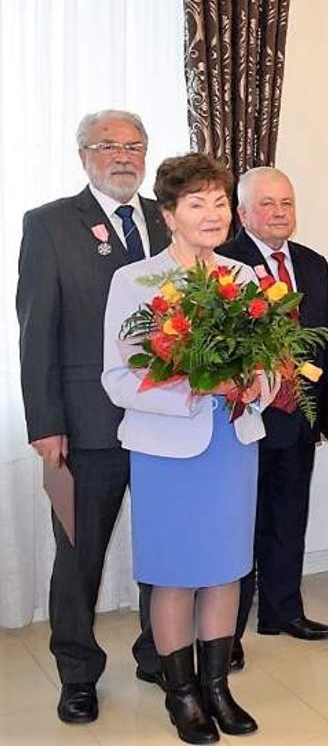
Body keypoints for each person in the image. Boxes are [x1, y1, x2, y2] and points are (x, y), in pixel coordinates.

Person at [102, 153, 269, 744]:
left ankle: (218, 687)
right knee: (174, 574)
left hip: (232, 442)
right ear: (168, 214)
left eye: (220, 201)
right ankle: (182, 695)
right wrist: (198, 388)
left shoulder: (244, 278)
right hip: (167, 449)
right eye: (197, 203)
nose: (214, 213)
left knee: (225, 570)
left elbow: (267, 360)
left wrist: (256, 384)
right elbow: (119, 378)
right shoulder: (137, 282)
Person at [15, 109, 167, 724]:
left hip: (165, 422)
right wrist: (45, 423)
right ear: (84, 155)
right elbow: (35, 333)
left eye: (134, 145)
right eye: (109, 146)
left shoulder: (166, 218)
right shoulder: (49, 224)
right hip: (84, 424)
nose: (123, 156)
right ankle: (77, 673)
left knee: (163, 548)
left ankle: (160, 651)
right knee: (79, 555)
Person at [221, 167, 328, 669]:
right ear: (242, 212)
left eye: (286, 202)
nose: (279, 212)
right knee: (240, 525)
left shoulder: (313, 264)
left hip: (299, 417)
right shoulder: (222, 264)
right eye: (266, 204)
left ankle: (282, 610)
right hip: (245, 419)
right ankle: (226, 630)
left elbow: (324, 340)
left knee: (289, 518)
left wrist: (322, 410)